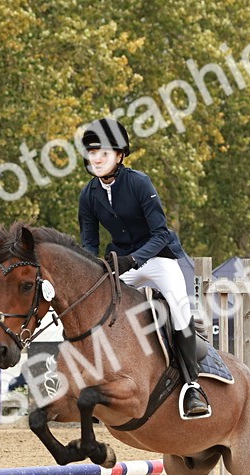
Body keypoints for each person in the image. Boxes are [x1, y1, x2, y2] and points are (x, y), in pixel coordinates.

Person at [76, 117, 210, 419]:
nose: (96, 158)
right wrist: (90, 273)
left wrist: (134, 259)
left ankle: (192, 387)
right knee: (99, 308)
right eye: (92, 153)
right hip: (120, 263)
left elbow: (161, 233)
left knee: (178, 307)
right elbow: (89, 243)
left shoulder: (139, 183)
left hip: (158, 259)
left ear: (120, 155)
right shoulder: (88, 195)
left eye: (103, 152)